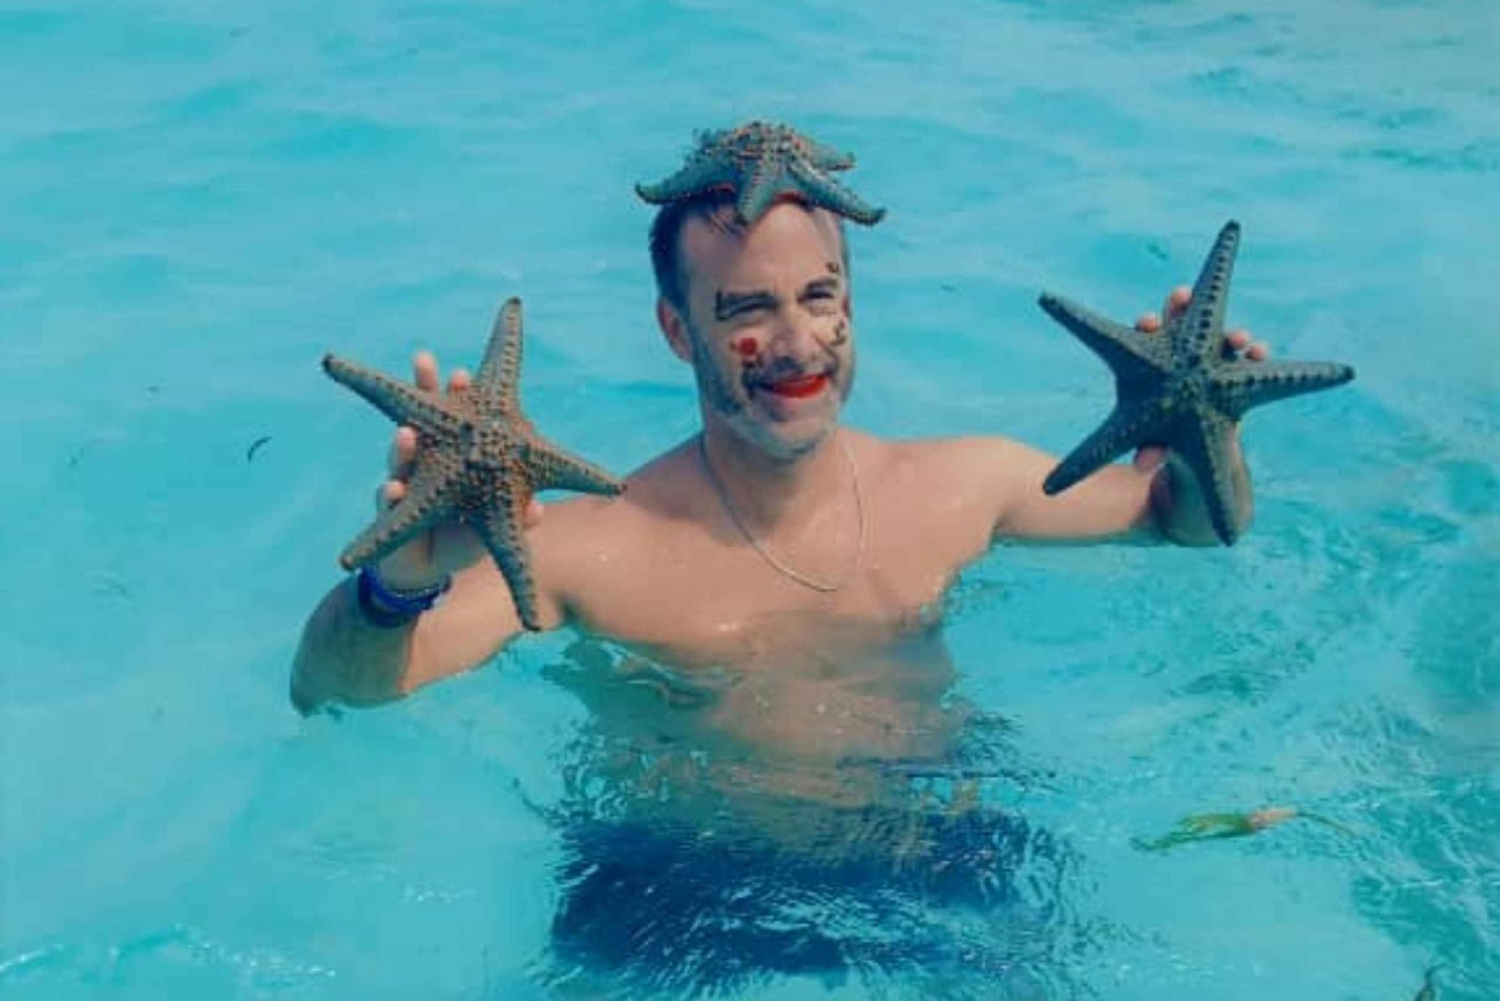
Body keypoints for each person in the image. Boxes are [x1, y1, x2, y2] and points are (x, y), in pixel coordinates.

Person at [289, 135, 1271, 993]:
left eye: (819, 296)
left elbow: (1182, 520)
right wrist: (398, 577)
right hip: (672, 874)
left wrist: (1207, 429)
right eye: (749, 307)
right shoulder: (589, 548)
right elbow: (336, 687)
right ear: (678, 331)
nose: (798, 343)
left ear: (852, 301)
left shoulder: (958, 489)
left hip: (930, 844)